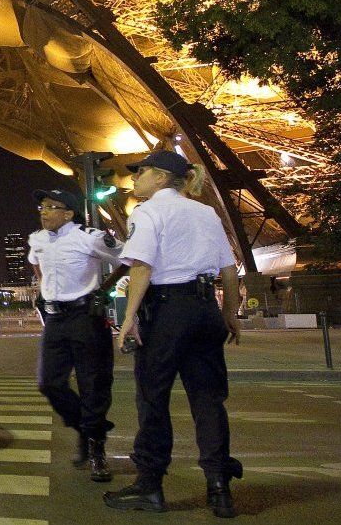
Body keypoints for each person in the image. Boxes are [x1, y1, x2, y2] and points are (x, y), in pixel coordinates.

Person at [103, 150, 242, 518]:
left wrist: (128, 318)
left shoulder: (147, 212)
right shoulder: (206, 212)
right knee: (209, 400)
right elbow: (228, 271)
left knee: (152, 399)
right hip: (204, 310)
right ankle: (219, 488)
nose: (135, 178)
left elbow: (142, 267)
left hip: (167, 313)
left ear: (162, 177)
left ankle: (150, 485)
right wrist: (230, 315)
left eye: (142, 171)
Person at [28, 188, 123, 482]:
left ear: (68, 214)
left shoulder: (89, 238)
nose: (43, 212)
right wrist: (45, 287)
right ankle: (86, 427)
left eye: (51, 207)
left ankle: (96, 450)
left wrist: (105, 286)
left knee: (93, 384)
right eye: (41, 206)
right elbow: (35, 261)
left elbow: (129, 257)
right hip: (55, 320)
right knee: (49, 382)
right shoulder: (37, 239)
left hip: (85, 318)